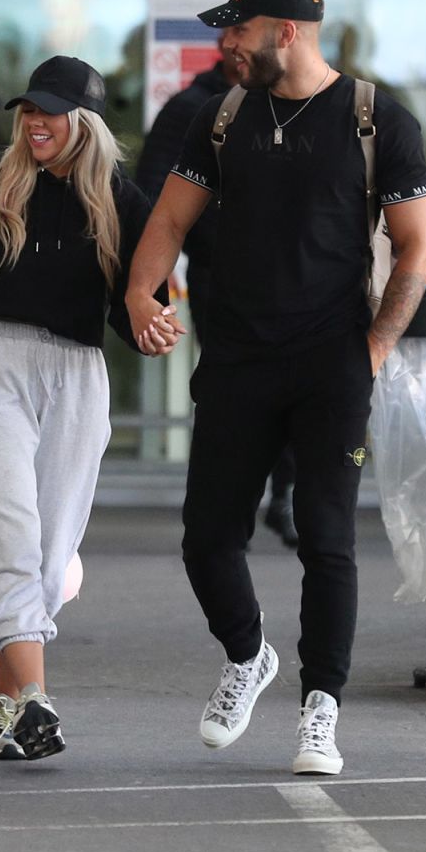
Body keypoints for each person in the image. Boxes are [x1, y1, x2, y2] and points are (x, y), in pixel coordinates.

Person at [124, 0, 426, 776]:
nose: (225, 42)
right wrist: (137, 291)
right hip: (235, 359)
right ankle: (249, 654)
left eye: (238, 28)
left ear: (284, 31)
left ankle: (320, 711)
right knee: (206, 540)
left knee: (327, 538)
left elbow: (416, 249)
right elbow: (167, 217)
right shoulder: (220, 120)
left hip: (333, 359)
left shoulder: (378, 121)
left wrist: (371, 350)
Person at [0, 56, 160, 762]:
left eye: (50, 110)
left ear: (84, 121)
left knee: (48, 562)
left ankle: (2, 711)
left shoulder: (120, 199)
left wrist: (153, 321)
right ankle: (37, 702)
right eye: (29, 109)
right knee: (11, 540)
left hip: (78, 375)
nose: (35, 121)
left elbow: (137, 310)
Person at [135, 41, 300, 550]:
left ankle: (284, 494)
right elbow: (155, 195)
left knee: (293, 391)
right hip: (220, 278)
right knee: (238, 395)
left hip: (290, 283)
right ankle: (236, 504)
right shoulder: (191, 109)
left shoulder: (289, 110)